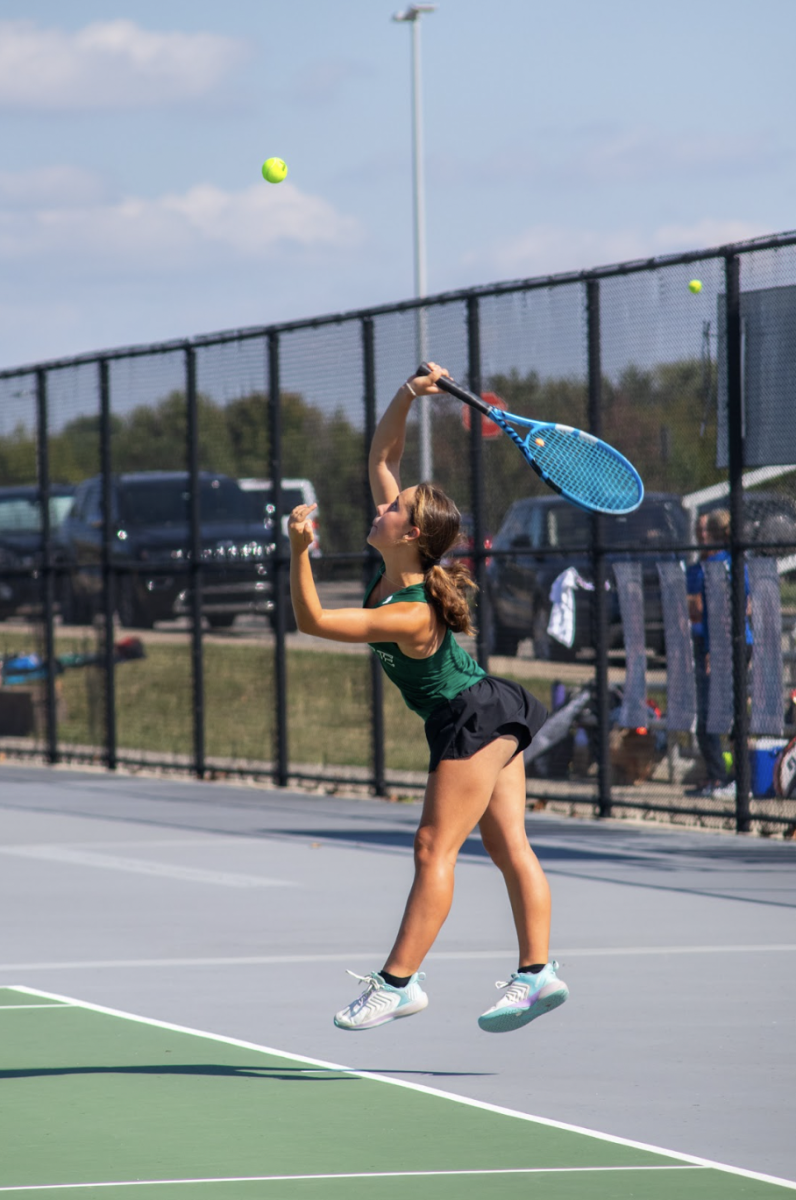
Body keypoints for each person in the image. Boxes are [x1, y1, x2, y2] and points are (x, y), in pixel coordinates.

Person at [288, 363, 568, 1034]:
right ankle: (538, 974)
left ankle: (397, 984)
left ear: (411, 533)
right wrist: (409, 396)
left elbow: (315, 623)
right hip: (490, 710)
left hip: (471, 718)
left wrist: (298, 552)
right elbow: (382, 455)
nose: (380, 505)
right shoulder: (402, 568)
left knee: (431, 848)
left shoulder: (412, 611)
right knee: (509, 848)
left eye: (392, 507)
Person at [685, 508, 752, 799]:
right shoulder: (733, 562)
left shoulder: (720, 565)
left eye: (707, 531)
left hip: (728, 646)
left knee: (725, 714)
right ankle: (727, 778)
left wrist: (716, 651)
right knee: (724, 714)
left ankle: (738, 780)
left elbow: (719, 612)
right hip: (733, 644)